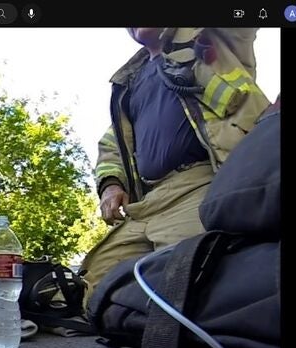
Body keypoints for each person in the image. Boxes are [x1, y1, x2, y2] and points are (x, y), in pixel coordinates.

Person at [80, 28, 271, 298]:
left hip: (201, 187)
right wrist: (111, 185)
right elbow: (112, 145)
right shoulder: (129, 82)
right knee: (93, 291)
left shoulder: (214, 37)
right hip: (147, 204)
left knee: (182, 284)